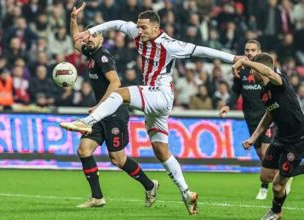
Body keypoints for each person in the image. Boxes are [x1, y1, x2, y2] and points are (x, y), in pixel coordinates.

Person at [61, 8, 243, 215]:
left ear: (156, 27)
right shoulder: (137, 33)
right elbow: (117, 23)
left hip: (161, 94)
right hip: (153, 101)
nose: (139, 30)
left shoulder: (169, 44)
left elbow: (202, 50)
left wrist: (234, 57)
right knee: (160, 150)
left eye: (144, 27)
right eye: (138, 26)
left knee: (120, 93)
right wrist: (90, 30)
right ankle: (186, 192)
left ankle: (87, 121)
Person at [68, 3, 158, 208]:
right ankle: (97, 197)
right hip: (101, 113)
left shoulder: (102, 56)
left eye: (94, 35)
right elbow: (75, 42)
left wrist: (99, 106)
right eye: (89, 35)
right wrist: (74, 20)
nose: (89, 38)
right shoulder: (91, 54)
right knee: (84, 150)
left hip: (115, 112)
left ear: (101, 38)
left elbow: (116, 83)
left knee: (118, 159)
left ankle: (150, 185)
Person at [235, 53, 304, 220]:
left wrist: (245, 62)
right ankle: (289, 172)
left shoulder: (279, 81)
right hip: (280, 138)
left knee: (277, 186)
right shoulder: (264, 92)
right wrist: (253, 138)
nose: (251, 75)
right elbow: (269, 115)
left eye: (252, 70)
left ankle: (276, 212)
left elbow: (268, 72)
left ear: (261, 69)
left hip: (297, 139)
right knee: (265, 176)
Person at [219, 40, 275, 200]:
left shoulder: (267, 71)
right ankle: (278, 174)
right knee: (259, 153)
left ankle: (266, 186)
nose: (249, 53)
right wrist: (228, 106)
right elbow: (236, 90)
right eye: (247, 50)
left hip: (267, 115)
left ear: (259, 51)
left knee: (265, 151)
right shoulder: (241, 70)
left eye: (253, 50)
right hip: (250, 117)